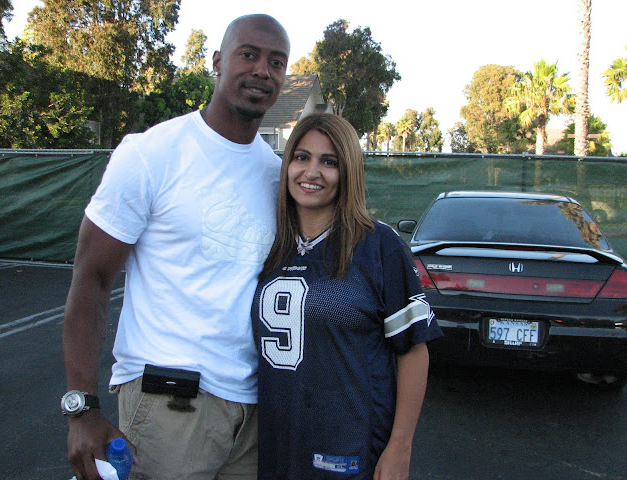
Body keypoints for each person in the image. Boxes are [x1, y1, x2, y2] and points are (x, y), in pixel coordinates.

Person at [61, 14, 290, 480]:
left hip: (251, 414)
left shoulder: (277, 175)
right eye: (249, 54)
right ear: (217, 61)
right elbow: (92, 277)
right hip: (169, 404)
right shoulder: (152, 153)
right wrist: (81, 408)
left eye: (277, 61)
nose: (262, 70)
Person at [251, 113, 443, 479]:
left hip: (349, 447)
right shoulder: (273, 244)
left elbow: (414, 350)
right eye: (301, 157)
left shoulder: (379, 245)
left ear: (348, 172)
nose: (311, 172)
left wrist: (400, 446)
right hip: (278, 446)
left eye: (329, 162)